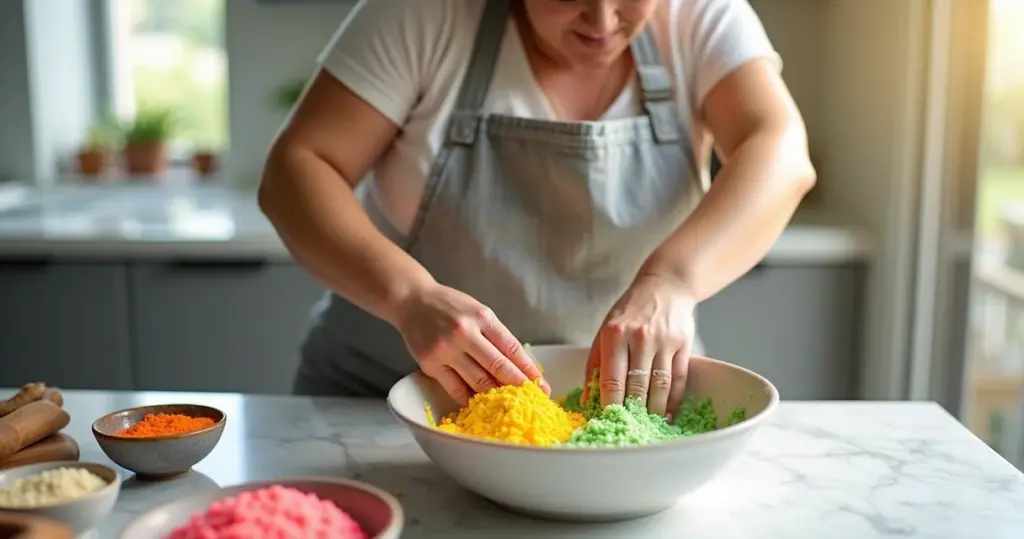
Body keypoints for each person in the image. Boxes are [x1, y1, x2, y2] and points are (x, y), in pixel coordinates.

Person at [258, 0, 815, 417]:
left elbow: (781, 151)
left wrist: (672, 282)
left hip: (620, 413)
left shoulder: (701, 15)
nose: (601, 20)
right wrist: (410, 297)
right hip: (380, 406)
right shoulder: (426, 12)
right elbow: (297, 168)